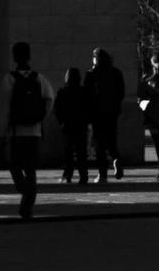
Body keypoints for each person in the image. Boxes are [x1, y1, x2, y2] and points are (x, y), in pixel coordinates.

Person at [0, 39, 54, 221]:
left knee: (14, 166)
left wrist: (2, 132)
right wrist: (39, 117)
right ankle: (28, 204)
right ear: (29, 56)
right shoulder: (39, 78)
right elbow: (49, 98)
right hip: (34, 132)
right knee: (31, 169)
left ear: (15, 57)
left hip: (16, 132)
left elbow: (5, 108)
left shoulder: (9, 79)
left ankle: (25, 193)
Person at [87, 45, 127, 182]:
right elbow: (121, 92)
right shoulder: (116, 73)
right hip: (112, 111)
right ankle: (116, 158)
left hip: (97, 112)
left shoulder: (92, 74)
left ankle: (102, 174)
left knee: (100, 144)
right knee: (111, 140)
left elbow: (88, 95)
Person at [54, 65, 90, 188]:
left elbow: (57, 109)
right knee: (81, 151)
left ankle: (68, 175)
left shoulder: (62, 91)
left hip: (68, 125)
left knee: (68, 151)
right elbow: (88, 108)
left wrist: (61, 122)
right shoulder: (84, 91)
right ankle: (83, 176)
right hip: (80, 124)